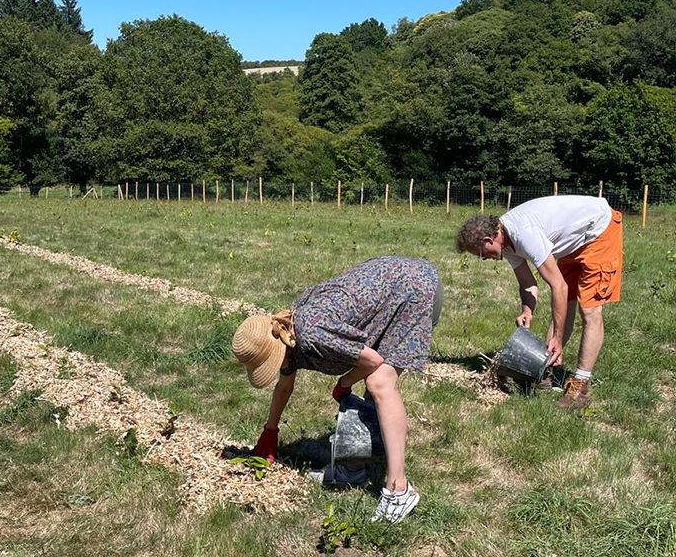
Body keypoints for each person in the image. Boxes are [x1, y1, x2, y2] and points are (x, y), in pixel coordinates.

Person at [231, 256, 443, 524]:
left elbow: (373, 360)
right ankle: (353, 469)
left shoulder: (312, 334)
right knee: (372, 385)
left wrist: (344, 382)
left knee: (379, 383)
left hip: (413, 289)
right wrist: (270, 430)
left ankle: (399, 489)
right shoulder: (288, 332)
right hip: (389, 291)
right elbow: (285, 385)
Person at [455, 195, 623, 408]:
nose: (483, 259)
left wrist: (558, 339)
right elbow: (527, 283)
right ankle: (542, 372)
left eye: (480, 254)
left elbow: (558, 286)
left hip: (600, 232)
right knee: (565, 303)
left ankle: (580, 387)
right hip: (575, 242)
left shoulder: (524, 234)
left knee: (589, 310)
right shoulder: (505, 241)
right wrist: (527, 310)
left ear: (489, 240)